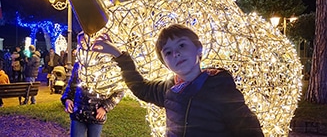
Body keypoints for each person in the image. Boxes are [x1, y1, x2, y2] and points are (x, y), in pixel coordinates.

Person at [92, 24, 264, 136]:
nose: (176, 54)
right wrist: (119, 55)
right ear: (165, 63)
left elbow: (249, 130)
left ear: (198, 49)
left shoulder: (220, 87)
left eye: (182, 45)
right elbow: (141, 88)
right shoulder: (169, 88)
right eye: (167, 52)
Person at [61, 32, 124, 137]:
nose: (83, 46)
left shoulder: (107, 65)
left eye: (85, 43)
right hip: (78, 113)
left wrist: (105, 107)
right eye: (80, 44)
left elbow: (119, 91)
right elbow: (71, 85)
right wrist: (67, 99)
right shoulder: (78, 65)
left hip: (96, 114)